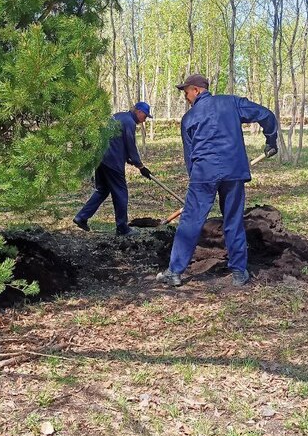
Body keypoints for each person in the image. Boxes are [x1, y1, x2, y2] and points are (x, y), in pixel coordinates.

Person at [156, 74, 279, 287]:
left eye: (186, 92)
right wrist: (271, 140)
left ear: (197, 90)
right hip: (234, 171)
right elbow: (266, 114)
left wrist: (196, 180)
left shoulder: (189, 118)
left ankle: (174, 272)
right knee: (233, 219)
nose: (185, 97)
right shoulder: (231, 103)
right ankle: (239, 272)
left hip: (203, 173)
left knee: (191, 220)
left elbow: (189, 156)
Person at [74, 101, 153, 236]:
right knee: (121, 193)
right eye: (145, 116)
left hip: (100, 159)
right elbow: (130, 145)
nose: (144, 120)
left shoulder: (119, 116)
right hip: (112, 162)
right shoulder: (129, 122)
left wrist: (127, 158)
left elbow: (116, 141)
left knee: (103, 189)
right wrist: (140, 166)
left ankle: (81, 217)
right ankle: (122, 228)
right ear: (139, 112)